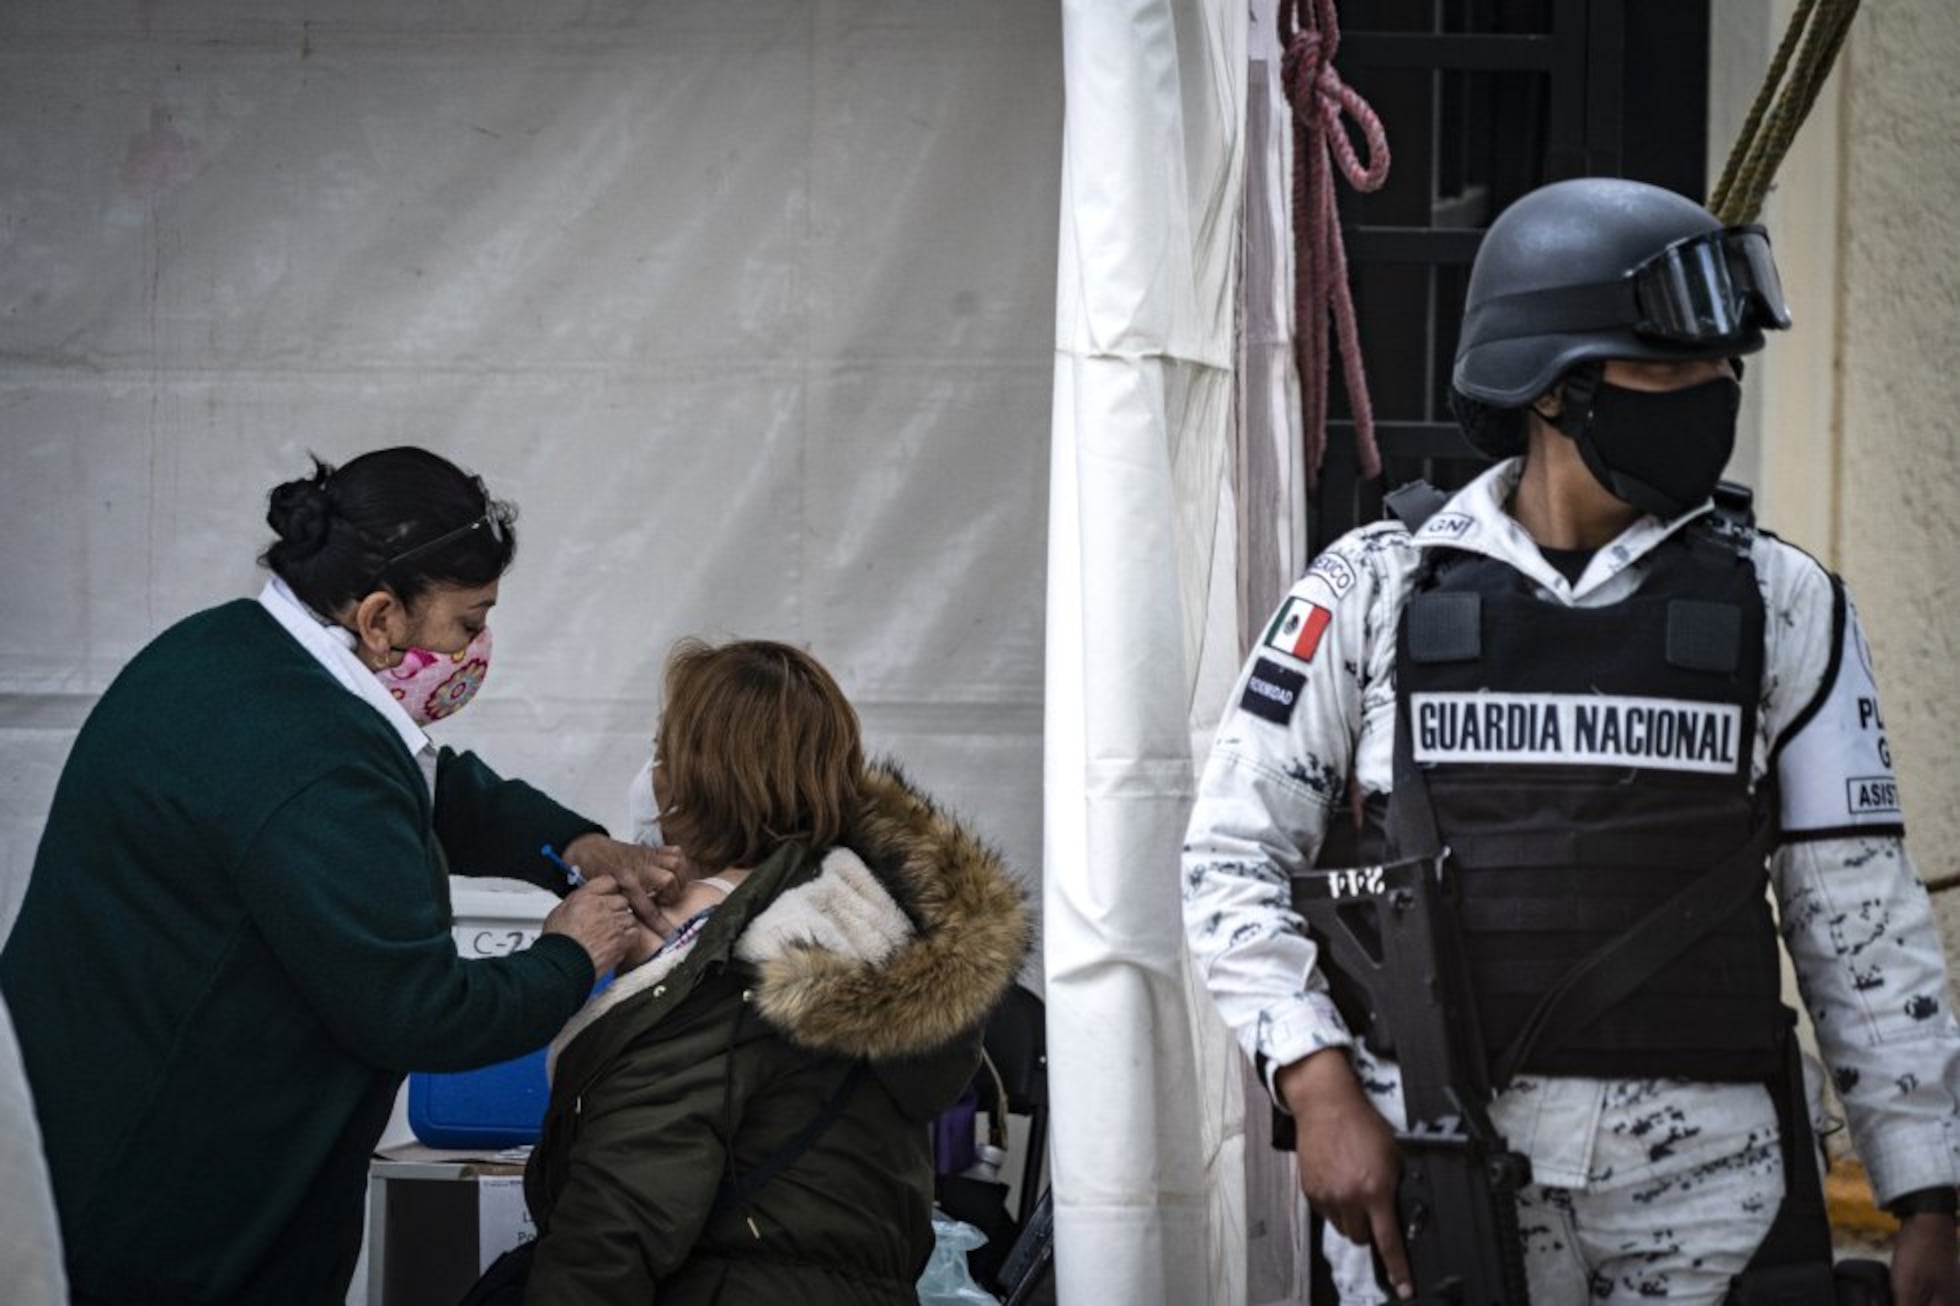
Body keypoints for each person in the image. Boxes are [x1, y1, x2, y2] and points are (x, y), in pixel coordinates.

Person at [1183, 178, 1959, 1304]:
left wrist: (1927, 1195)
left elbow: (1860, 924)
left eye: (1720, 372)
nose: (1710, 395)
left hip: (1715, 1202)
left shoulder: (1783, 601)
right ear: (1553, 387)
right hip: (1441, 1185)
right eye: (1669, 372)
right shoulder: (1372, 590)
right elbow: (1229, 858)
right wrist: (1313, 1079)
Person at [0, 448, 683, 1306]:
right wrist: (569, 955)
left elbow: (430, 788)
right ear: (380, 617)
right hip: (171, 1217)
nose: (478, 649)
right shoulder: (311, 761)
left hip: (78, 1130)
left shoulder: (228, 651)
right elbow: (419, 1012)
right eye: (468, 624)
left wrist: (577, 845)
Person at [520, 638, 1031, 1305]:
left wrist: (665, 988)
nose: (653, 771)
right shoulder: (876, 927)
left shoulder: (716, 977)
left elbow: (619, 1221)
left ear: (697, 778)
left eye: (662, 750)